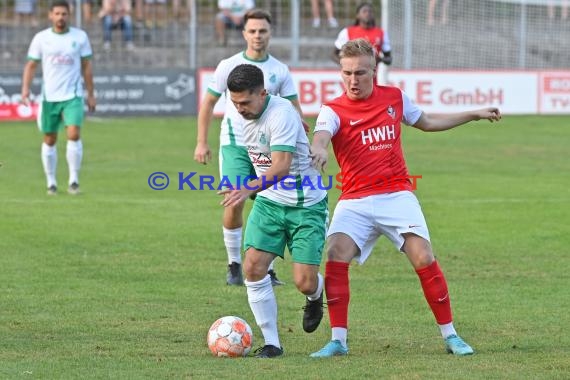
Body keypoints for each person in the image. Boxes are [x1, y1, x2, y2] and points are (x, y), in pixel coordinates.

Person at [309, 39, 501, 358]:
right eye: (346, 73)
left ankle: (451, 336)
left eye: (360, 73)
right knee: (336, 253)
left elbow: (427, 122)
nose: (353, 80)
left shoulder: (394, 98)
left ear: (374, 71)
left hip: (397, 194)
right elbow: (322, 136)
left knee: (423, 256)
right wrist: (318, 148)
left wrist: (473, 114)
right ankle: (338, 341)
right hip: (355, 199)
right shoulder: (332, 110)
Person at [220, 63, 327, 358]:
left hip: (306, 206)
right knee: (253, 267)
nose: (239, 108)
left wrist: (247, 187)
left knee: (304, 281)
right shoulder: (245, 116)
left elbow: (280, 165)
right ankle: (272, 343)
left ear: (263, 93)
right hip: (269, 203)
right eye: (234, 102)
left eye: (245, 102)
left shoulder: (280, 114)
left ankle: (316, 295)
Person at [194, 9, 307, 287]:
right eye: (253, 31)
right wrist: (201, 142)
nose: (258, 36)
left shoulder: (280, 70)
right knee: (235, 199)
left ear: (270, 33)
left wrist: (302, 130)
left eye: (263, 31)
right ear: (244, 33)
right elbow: (208, 103)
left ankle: (263, 268)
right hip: (234, 146)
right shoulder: (228, 65)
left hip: (268, 147)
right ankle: (234, 263)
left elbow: (292, 106)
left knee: (270, 203)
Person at [21, 0, 96, 196]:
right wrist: (25, 90)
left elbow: (87, 67)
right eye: (57, 14)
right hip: (50, 96)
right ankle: (51, 182)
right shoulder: (41, 38)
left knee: (73, 134)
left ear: (69, 15)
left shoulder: (80, 37)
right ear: (50, 16)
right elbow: (31, 65)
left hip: (72, 94)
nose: (60, 17)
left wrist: (91, 93)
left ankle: (73, 180)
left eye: (64, 14)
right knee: (50, 138)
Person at [332, 2, 392, 67]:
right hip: (352, 76)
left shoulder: (381, 33)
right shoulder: (347, 32)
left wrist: (380, 59)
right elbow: (334, 55)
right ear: (357, 15)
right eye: (364, 11)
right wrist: (346, 65)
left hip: (372, 77)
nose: (368, 13)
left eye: (370, 11)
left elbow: (389, 59)